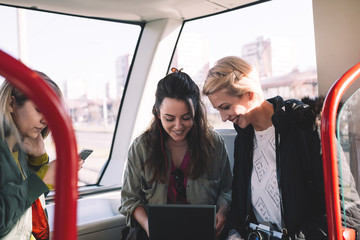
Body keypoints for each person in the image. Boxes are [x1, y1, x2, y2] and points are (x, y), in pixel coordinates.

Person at [202, 56, 328, 240]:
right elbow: (239, 203)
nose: (222, 118)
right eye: (218, 110)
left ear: (250, 94)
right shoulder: (244, 139)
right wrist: (234, 233)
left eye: (226, 107)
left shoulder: (305, 126)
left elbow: (341, 210)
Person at [119, 68, 232, 239]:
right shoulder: (141, 147)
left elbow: (227, 189)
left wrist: (222, 211)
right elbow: (130, 199)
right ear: (157, 113)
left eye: (186, 117)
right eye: (169, 119)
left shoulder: (214, 144)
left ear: (196, 112)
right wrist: (150, 226)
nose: (178, 126)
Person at [0, 71, 80, 239]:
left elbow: (28, 205)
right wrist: (42, 179)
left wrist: (39, 161)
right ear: (11, 103)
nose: (46, 120)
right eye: (38, 109)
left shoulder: (18, 148)